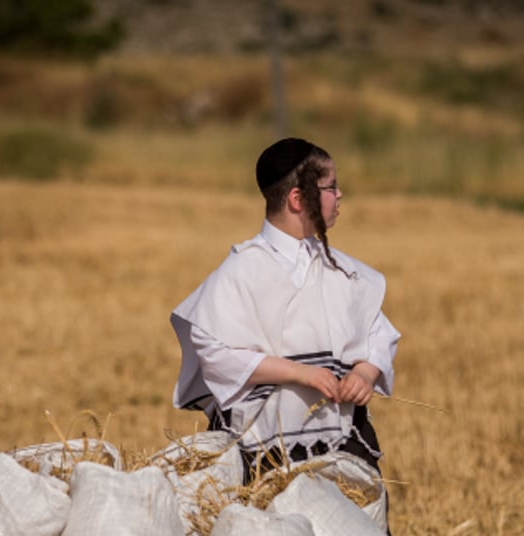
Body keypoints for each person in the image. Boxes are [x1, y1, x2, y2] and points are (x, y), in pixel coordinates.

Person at [170, 137, 400, 487]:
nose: (339, 195)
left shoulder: (342, 269)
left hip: (343, 439)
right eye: (331, 186)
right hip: (265, 449)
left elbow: (378, 332)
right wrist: (300, 373)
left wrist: (365, 375)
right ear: (298, 199)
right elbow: (214, 352)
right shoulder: (242, 270)